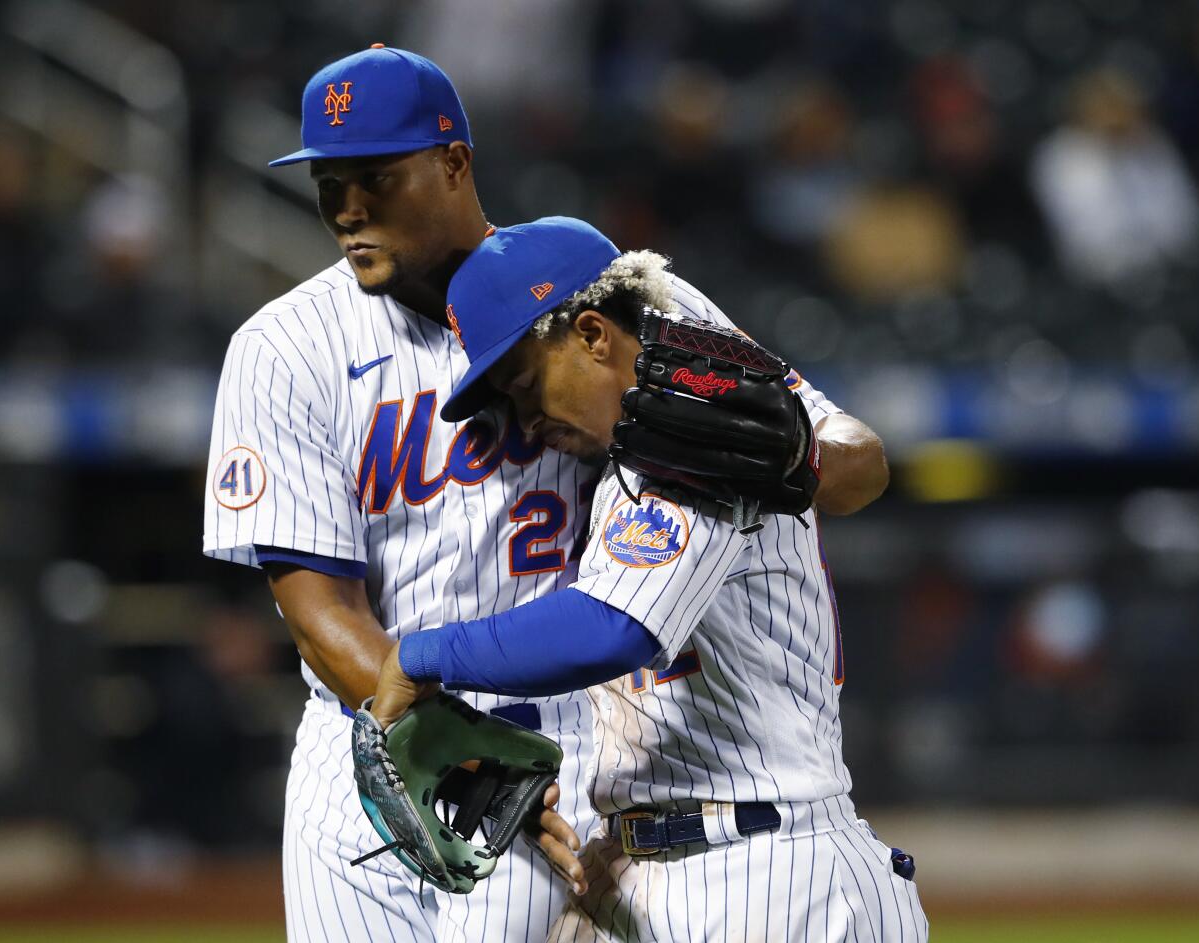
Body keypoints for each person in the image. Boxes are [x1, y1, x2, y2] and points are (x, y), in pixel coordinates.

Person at [202, 46, 891, 942]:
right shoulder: (284, 346)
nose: (347, 208)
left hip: (565, 752)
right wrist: (453, 757)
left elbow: (857, 458)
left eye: (375, 176)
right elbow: (315, 609)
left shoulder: (606, 299)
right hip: (372, 737)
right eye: (329, 182)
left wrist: (799, 459)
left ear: (453, 161)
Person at [368, 217, 925, 942]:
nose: (525, 421)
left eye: (527, 384)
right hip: (648, 863)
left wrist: (422, 654)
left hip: (763, 872)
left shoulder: (694, 424)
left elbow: (614, 628)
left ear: (594, 333)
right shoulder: (653, 421)